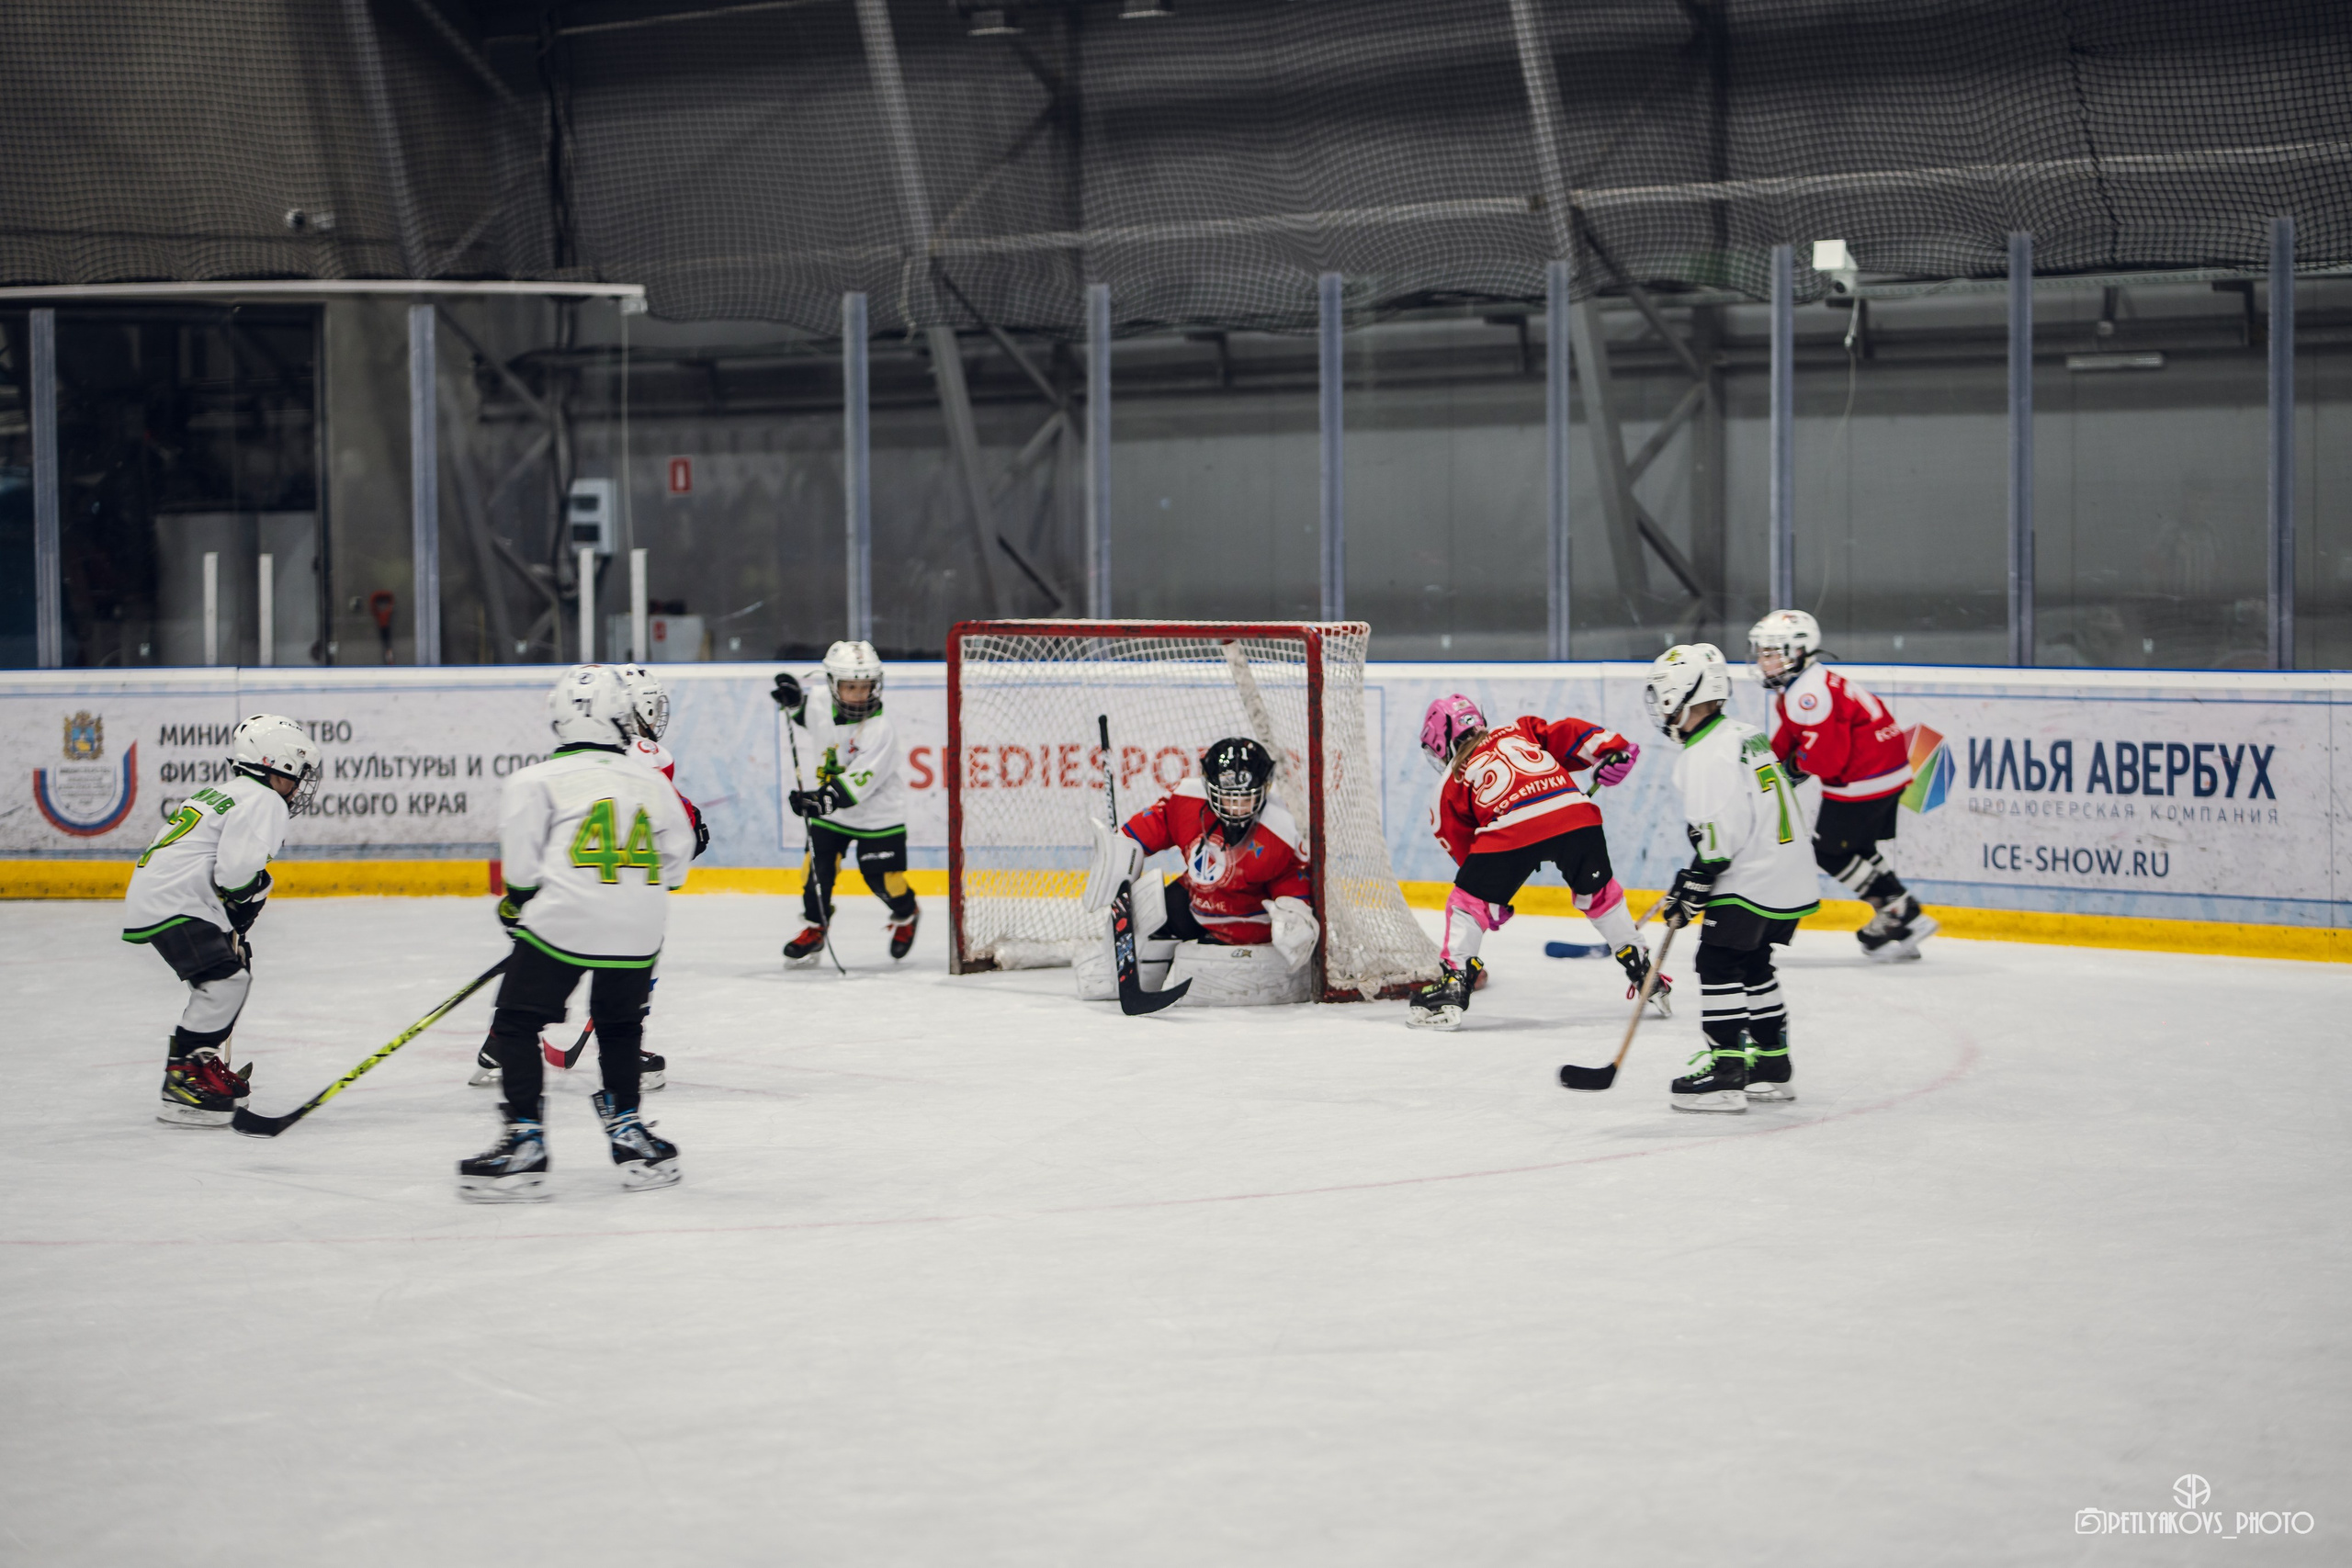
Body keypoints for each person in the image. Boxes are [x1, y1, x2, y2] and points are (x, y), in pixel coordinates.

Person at [458, 664, 694, 1201]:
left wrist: (517, 908)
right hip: (639, 930)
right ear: (621, 717)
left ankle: (524, 1142)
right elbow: (676, 866)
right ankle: (630, 1132)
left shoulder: (533, 780)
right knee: (619, 1026)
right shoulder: (649, 780)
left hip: (563, 922)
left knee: (515, 1023)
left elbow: (520, 873)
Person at [480, 663, 711, 1092]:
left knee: (532, 982)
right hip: (617, 888)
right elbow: (659, 820)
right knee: (625, 972)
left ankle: (499, 1044)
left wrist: (522, 897)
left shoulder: (572, 759)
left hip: (565, 881)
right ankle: (624, 1102)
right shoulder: (643, 756)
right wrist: (691, 819)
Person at [1408, 695, 1662, 1030]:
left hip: (1510, 831)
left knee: (1466, 904)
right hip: (1576, 815)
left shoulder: (1448, 783)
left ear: (1440, 741)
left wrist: (1490, 898)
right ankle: (1642, 968)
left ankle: (1455, 983)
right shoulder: (1519, 729)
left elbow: (1464, 852)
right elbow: (1571, 733)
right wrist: (1613, 750)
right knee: (1600, 895)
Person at [1645, 643, 1821, 1112]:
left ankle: (1727, 1072)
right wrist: (1695, 877)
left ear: (1681, 695)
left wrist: (1694, 886)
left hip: (1752, 876)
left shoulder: (1703, 755)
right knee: (1754, 963)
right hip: (1789, 872)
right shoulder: (1744, 734)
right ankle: (1772, 1065)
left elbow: (1719, 842)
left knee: (1717, 964)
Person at [123, 714, 321, 1126]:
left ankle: (200, 1066)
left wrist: (232, 916)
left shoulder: (228, 792)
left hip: (165, 895)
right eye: (297, 774)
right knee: (227, 982)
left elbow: (216, 866)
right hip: (175, 901)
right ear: (279, 764)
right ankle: (184, 1079)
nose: (299, 786)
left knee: (225, 978)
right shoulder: (265, 800)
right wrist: (251, 895)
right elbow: (234, 876)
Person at [1077, 737, 1320, 1006]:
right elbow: (1147, 830)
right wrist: (1120, 855)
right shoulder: (1186, 801)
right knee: (1143, 908)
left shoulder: (1281, 829)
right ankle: (1130, 977)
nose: (1236, 808)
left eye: (1246, 799)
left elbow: (1291, 876)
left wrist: (1295, 911)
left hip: (1244, 923)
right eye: (1226, 797)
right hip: (1195, 901)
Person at [1750, 609, 1936, 960]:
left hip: (1866, 777)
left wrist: (1789, 768)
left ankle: (1899, 908)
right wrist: (1767, 764)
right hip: (1884, 771)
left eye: (1771, 653)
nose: (1763, 661)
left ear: (1798, 652)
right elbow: (1792, 737)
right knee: (1857, 848)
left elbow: (1826, 761)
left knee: (1828, 851)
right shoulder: (1804, 686)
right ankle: (1903, 911)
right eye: (1761, 652)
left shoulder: (1810, 694)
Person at [772, 639, 917, 964]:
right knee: (815, 874)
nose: (858, 693)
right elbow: (808, 716)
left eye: (865, 686)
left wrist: (821, 800)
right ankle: (815, 928)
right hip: (833, 811)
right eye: (849, 686)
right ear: (833, 684)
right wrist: (794, 702)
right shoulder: (822, 701)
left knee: (883, 880)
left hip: (877, 815)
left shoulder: (881, 729)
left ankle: (907, 914)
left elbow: (859, 782)